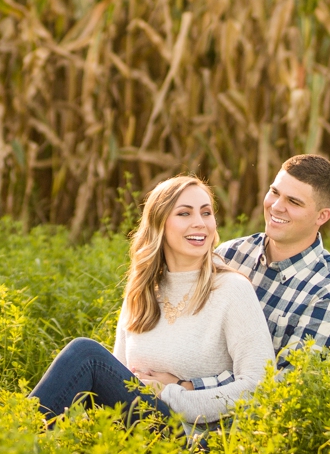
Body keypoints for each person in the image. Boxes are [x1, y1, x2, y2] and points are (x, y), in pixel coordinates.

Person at [30, 174, 273, 428]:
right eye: (184, 214)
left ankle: (10, 439)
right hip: (135, 430)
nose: (200, 223)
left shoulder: (231, 289)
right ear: (160, 224)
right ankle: (21, 444)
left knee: (85, 354)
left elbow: (258, 386)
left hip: (192, 437)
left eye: (206, 213)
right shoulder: (143, 289)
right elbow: (118, 375)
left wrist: (170, 393)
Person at [176, 154, 330, 397]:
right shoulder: (229, 255)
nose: (276, 206)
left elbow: (292, 386)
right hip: (172, 396)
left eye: (294, 202)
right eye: (275, 192)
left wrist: (187, 387)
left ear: (322, 216)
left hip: (241, 425)